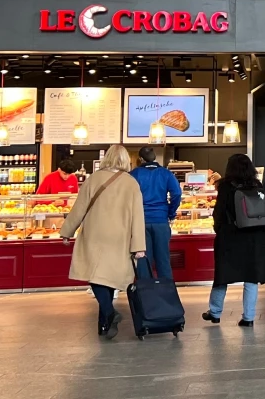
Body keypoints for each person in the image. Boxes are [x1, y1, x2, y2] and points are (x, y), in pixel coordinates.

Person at [59, 144, 144, 339]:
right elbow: (138, 216)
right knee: (109, 277)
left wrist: (67, 231)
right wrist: (139, 245)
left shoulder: (94, 179)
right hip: (120, 236)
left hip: (95, 233)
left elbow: (79, 208)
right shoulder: (131, 183)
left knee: (96, 275)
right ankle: (106, 321)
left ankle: (109, 313)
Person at [206, 153, 265, 327]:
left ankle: (215, 312)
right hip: (255, 237)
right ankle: (249, 317)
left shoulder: (226, 186)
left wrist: (219, 230)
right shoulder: (257, 184)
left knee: (222, 274)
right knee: (251, 277)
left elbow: (219, 212)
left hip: (231, 236)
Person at [130, 146, 182, 281]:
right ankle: (166, 291)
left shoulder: (134, 174)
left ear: (140, 159)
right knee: (163, 259)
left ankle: (146, 291)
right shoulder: (166, 173)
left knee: (144, 260)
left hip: (141, 222)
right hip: (161, 221)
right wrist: (170, 212)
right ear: (155, 158)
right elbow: (177, 194)